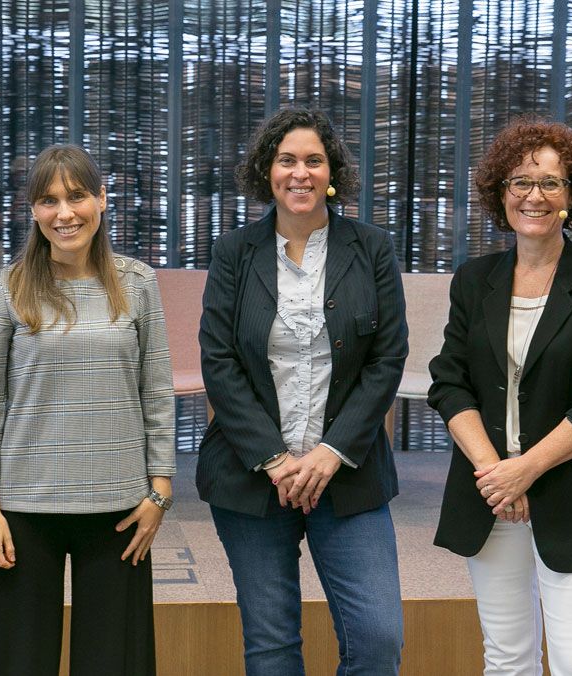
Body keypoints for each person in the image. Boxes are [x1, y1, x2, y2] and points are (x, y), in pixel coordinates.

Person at [427, 117, 572, 676]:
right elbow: (449, 380)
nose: (534, 196)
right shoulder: (474, 280)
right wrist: (495, 473)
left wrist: (526, 469)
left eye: (551, 183)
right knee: (506, 659)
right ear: (501, 193)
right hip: (490, 493)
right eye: (520, 181)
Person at [197, 108, 408, 675]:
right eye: (287, 160)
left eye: (314, 161)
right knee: (271, 646)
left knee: (377, 638)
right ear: (267, 170)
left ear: (331, 170)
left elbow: (387, 359)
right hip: (251, 475)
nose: (300, 173)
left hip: (349, 469)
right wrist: (275, 460)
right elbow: (218, 361)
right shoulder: (234, 252)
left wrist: (328, 454)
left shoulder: (371, 248)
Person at [0, 144, 175, 676]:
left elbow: (156, 392)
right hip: (24, 506)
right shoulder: (6, 287)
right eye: (48, 200)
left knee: (113, 661)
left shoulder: (138, 283)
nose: (64, 213)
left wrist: (160, 491)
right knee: (17, 660)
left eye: (77, 196)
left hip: (120, 504)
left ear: (102, 200)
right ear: (33, 210)